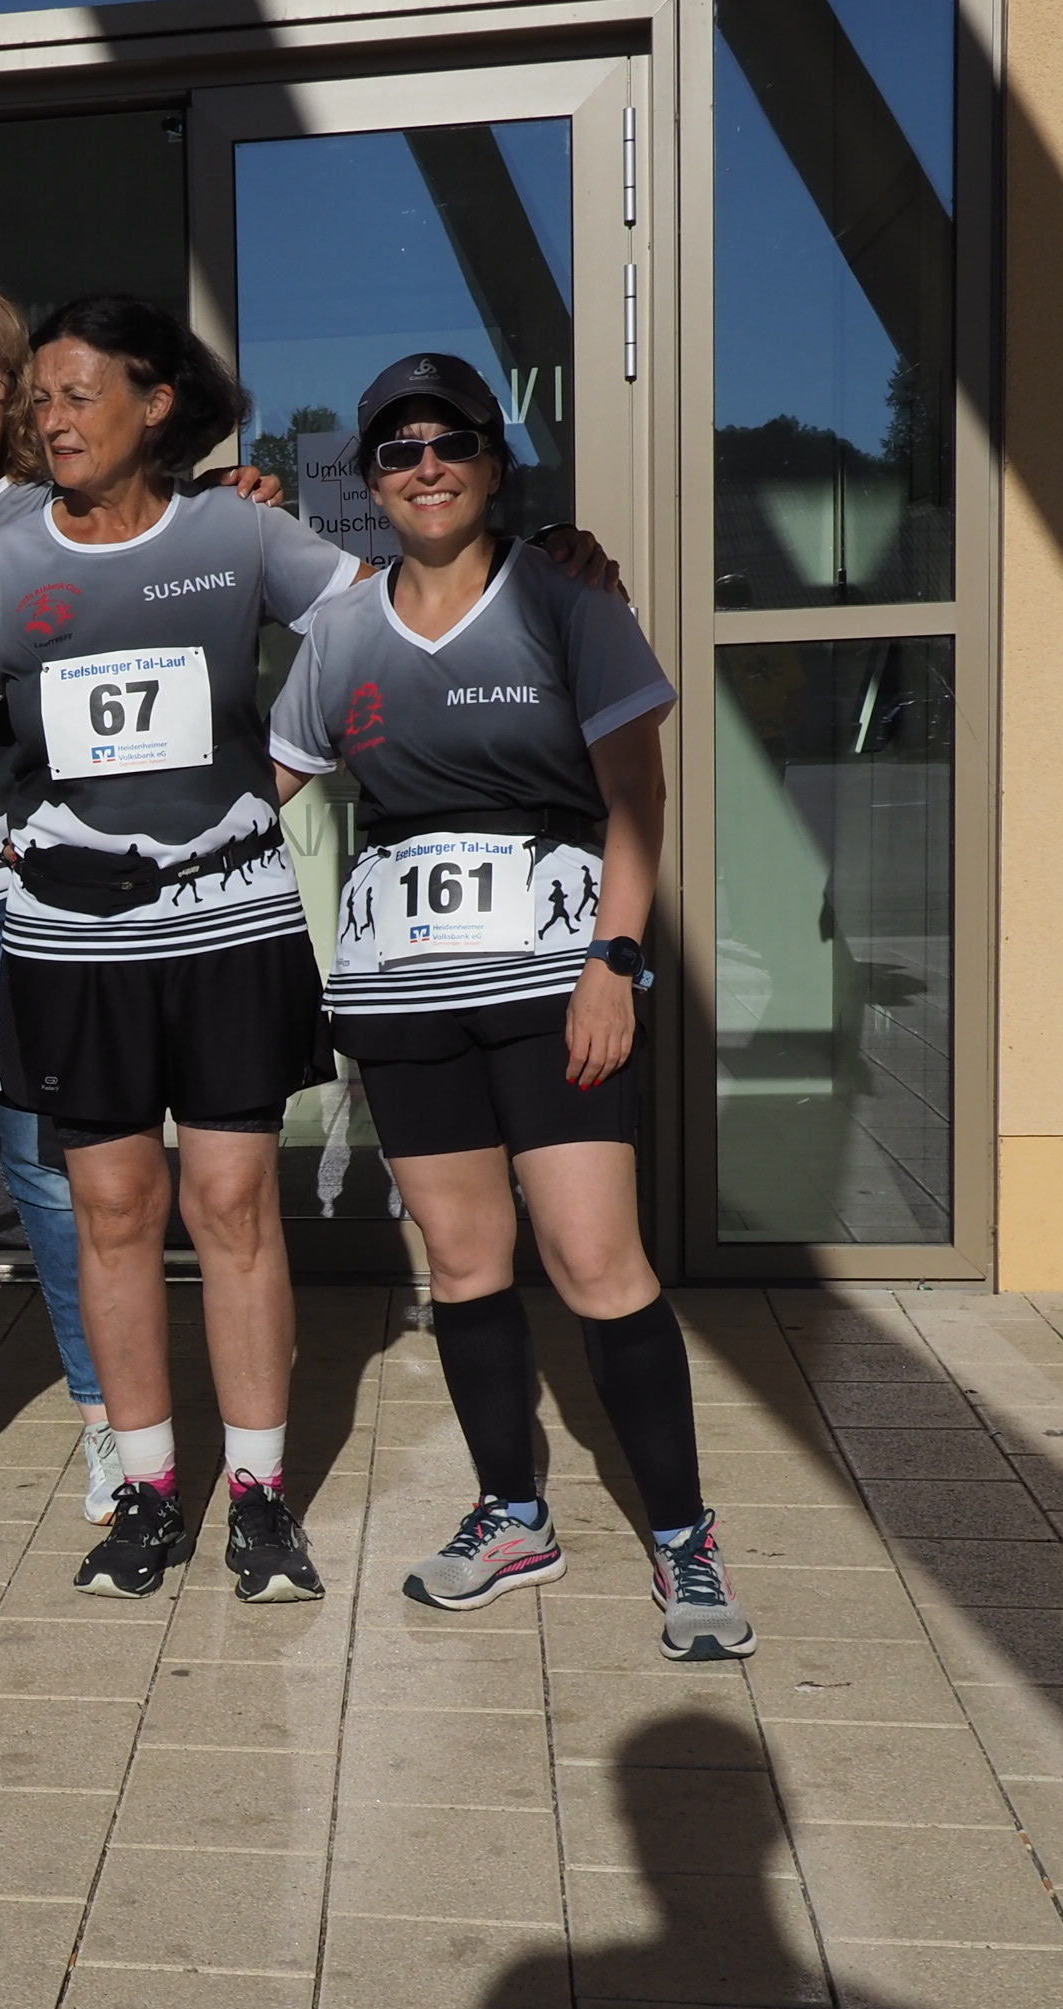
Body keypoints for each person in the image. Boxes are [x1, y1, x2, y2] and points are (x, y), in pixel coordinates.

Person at [265, 351, 753, 1662]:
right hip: (403, 996)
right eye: (399, 450)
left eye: (451, 443)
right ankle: (513, 1514)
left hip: (554, 983)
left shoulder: (566, 598)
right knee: (469, 1264)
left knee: (597, 1261)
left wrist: (617, 961)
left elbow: (637, 795)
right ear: (371, 480)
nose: (426, 467)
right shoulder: (341, 634)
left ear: (493, 461)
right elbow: (272, 784)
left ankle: (683, 1536)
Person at [0, 294, 353, 1605]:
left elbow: (372, 624)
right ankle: (147, 1491)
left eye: (76, 393)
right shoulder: (7, 567)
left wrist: (292, 757)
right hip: (72, 941)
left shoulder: (237, 530)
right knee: (113, 1210)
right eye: (39, 397)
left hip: (231, 924)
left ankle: (258, 1497)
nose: (49, 417)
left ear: (156, 404)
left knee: (232, 1205)